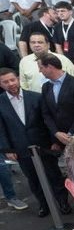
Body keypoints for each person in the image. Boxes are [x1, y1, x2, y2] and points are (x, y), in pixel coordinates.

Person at [0, 67, 68, 216]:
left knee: (54, 175)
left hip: (43, 145)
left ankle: (63, 202)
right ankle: (43, 205)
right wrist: (8, 150)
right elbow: (1, 129)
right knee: (33, 178)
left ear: (18, 79)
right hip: (20, 148)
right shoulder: (1, 102)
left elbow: (48, 120)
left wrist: (54, 141)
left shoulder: (36, 97)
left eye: (12, 80)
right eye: (5, 82)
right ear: (1, 84)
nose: (10, 84)